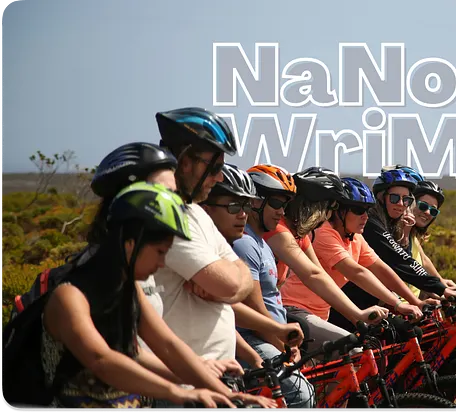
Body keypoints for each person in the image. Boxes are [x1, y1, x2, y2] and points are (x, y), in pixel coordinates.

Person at [37, 182, 273, 409]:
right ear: (131, 244)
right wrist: (179, 391)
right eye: (160, 252)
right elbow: (103, 360)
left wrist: (227, 395)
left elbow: (166, 346)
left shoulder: (130, 289)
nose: (162, 263)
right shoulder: (69, 296)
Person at [88, 142, 249, 378]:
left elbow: (162, 344)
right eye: (164, 193)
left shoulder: (132, 277)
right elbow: (106, 356)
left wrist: (205, 379)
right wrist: (191, 380)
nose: (175, 202)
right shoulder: (86, 280)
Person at [151, 107, 255, 364]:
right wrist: (230, 283)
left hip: (217, 375)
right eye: (214, 167)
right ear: (185, 161)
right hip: (186, 384)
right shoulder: (167, 215)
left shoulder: (195, 212)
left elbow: (245, 280)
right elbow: (231, 284)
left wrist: (231, 283)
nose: (219, 177)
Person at [262, 166, 390, 354]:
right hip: (280, 314)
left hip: (281, 314)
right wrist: (358, 314)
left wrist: (356, 317)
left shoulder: (300, 233)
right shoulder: (280, 230)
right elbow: (312, 274)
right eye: (328, 208)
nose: (328, 216)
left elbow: (320, 274)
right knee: (353, 352)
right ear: (311, 205)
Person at [327, 169, 456, 331]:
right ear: (381, 197)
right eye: (394, 198)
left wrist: (424, 295)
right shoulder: (372, 224)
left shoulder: (385, 225)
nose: (401, 204)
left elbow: (388, 267)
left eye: (406, 199)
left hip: (369, 305)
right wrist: (439, 288)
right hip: (346, 307)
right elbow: (398, 260)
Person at [193, 163, 304, 366]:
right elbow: (245, 306)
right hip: (241, 345)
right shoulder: (242, 244)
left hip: (252, 343)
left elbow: (224, 307)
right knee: (303, 395)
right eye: (234, 207)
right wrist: (280, 343)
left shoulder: (254, 244)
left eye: (245, 206)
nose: (242, 214)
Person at [231, 164, 315, 409]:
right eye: (276, 204)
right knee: (303, 396)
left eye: (285, 205)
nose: (282, 212)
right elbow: (256, 309)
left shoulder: (262, 243)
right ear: (256, 202)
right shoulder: (245, 244)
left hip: (273, 338)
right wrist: (284, 348)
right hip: (256, 339)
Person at [311, 177, 436, 333]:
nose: (365, 216)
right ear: (339, 211)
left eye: (367, 210)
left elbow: (381, 269)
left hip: (324, 312)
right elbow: (357, 272)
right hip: (302, 310)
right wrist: (398, 304)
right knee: (356, 350)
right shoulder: (324, 234)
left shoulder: (355, 237)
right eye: (358, 210)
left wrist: (414, 301)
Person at [398, 179, 456, 301]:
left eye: (433, 211)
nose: (427, 212)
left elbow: (424, 261)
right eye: (423, 205)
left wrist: (442, 284)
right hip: (399, 309)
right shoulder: (398, 234)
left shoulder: (412, 235)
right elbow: (405, 265)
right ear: (410, 203)